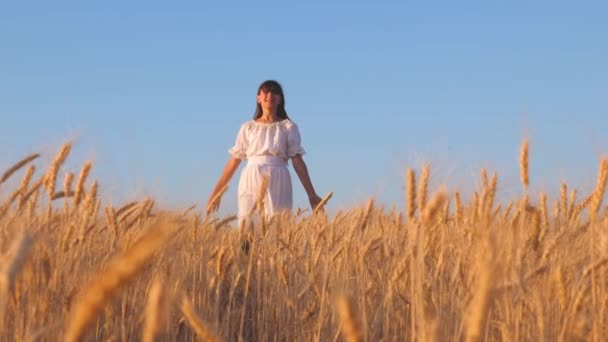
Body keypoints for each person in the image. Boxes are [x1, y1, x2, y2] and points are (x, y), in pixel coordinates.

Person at [206, 80, 322, 224]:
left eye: (275, 92)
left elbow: (298, 162)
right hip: (251, 177)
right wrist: (217, 192)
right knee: (248, 225)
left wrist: (312, 195)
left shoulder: (288, 127)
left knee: (278, 225)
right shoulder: (247, 127)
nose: (270, 95)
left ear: (280, 99)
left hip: (279, 178)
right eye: (266, 92)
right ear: (258, 97)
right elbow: (234, 161)